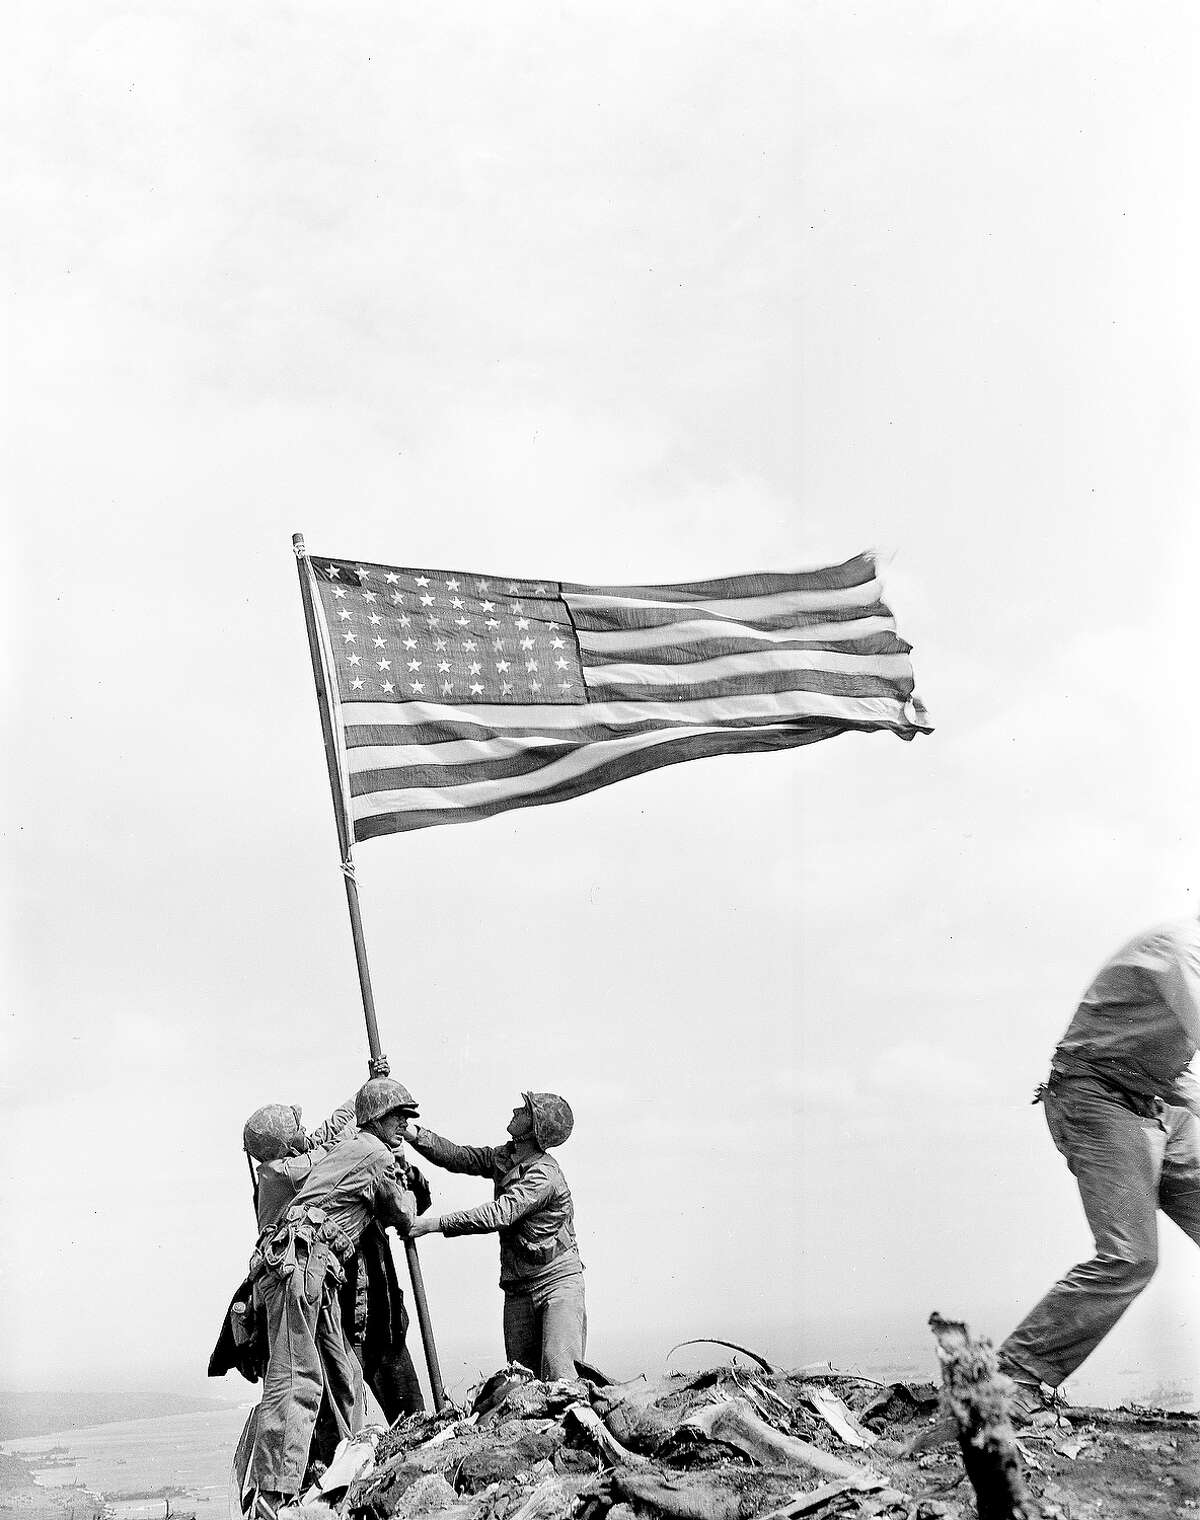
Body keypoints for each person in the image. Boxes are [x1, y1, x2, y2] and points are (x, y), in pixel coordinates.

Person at [998, 912, 1200, 1418]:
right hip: (1094, 1098)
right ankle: (1011, 1379)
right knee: (1130, 1256)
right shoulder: (1183, 950)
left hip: (1155, 1101)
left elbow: (1175, 1069)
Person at [247, 1077, 420, 1514]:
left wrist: (374, 1084)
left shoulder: (349, 1147)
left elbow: (343, 1125)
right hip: (302, 1266)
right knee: (296, 1376)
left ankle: (344, 1468)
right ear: (379, 1120)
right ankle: (273, 1490)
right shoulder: (370, 1153)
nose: (404, 1126)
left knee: (343, 1372)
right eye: (397, 1117)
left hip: (317, 1269)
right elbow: (402, 1211)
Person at [404, 1092, 586, 1381]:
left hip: (556, 1284)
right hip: (518, 1287)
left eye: (525, 1110)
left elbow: (500, 1214)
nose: (516, 1109)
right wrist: (414, 1135)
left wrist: (434, 1224)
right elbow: (460, 1157)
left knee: (561, 1379)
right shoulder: (506, 1156)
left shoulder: (544, 1175)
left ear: (535, 1128)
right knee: (521, 1383)